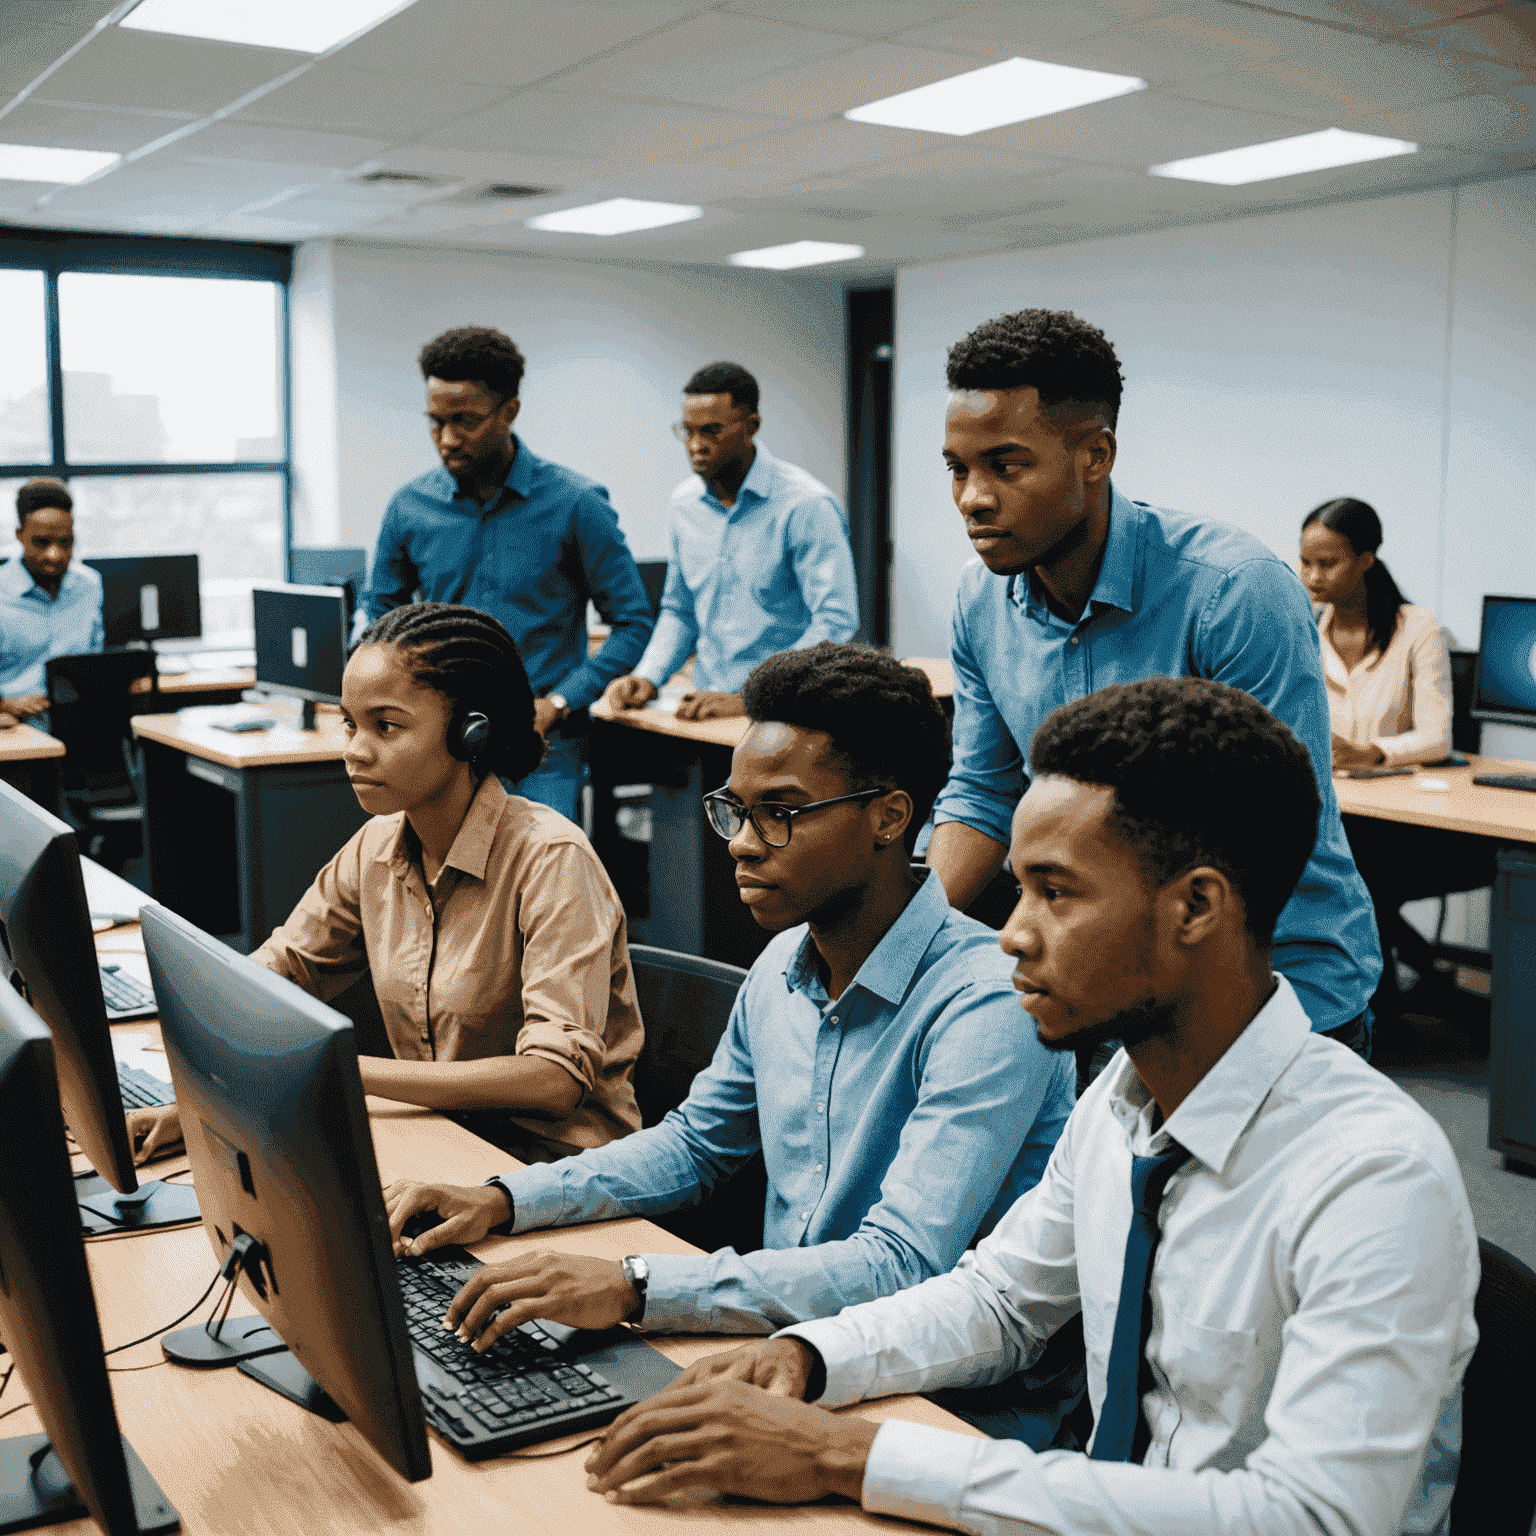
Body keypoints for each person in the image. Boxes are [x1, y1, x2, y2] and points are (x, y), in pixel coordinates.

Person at [582, 677, 1479, 1536]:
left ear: (1196, 907)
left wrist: (853, 1457)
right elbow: (1000, 1304)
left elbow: (1314, 1519)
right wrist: (809, 1357)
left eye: (1056, 893)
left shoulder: (1373, 1174)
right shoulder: (1121, 1107)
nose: (1011, 931)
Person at [384, 642, 1076, 1359]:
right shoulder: (784, 962)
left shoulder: (989, 1006)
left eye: (780, 812)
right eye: (735, 811)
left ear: (889, 817)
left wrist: (633, 1285)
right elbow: (694, 1147)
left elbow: (898, 1264)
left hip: (938, 1393)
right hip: (786, 1345)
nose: (743, 845)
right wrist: (500, 1200)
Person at [923, 309, 1380, 1055]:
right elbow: (983, 791)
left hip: (1275, 990)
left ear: (1094, 455)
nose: (973, 497)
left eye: (1005, 465)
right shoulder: (981, 603)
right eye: (957, 468)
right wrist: (905, 939)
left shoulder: (1232, 591)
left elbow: (1263, 829)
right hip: (1106, 978)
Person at [127, 602, 643, 1165]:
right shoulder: (376, 847)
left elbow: (553, 1080)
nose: (354, 749)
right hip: (442, 1148)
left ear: (471, 734)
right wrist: (203, 1095)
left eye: (386, 726)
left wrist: (339, 1067)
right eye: (350, 723)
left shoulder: (551, 859)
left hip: (554, 1171)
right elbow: (279, 973)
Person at [360, 327, 654, 822]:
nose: (447, 439)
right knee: (446, 891)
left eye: (465, 421)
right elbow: (379, 612)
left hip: (541, 748)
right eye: (436, 422)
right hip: (441, 746)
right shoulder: (410, 507)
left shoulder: (576, 504)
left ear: (509, 412)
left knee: (540, 891)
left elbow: (633, 621)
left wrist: (560, 702)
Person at [1301, 496, 1490, 1017]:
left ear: (1366, 559)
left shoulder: (1416, 629)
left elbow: (1437, 738)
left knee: (1360, 873)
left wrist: (1372, 752)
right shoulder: (1304, 628)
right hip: (1336, 807)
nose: (1312, 576)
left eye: (1327, 562)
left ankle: (1371, 1004)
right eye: (1305, 561)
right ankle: (1360, 999)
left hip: (1406, 823)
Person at [602, 362, 858, 722]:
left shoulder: (806, 505)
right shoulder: (684, 504)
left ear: (751, 427)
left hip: (786, 717)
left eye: (711, 431)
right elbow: (680, 609)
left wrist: (750, 698)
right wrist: (647, 675)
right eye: (687, 431)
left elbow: (835, 623)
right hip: (707, 709)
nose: (696, 446)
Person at [0, 480, 103, 729]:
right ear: (20, 535)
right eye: (42, 542)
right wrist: (4, 704)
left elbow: (94, 659)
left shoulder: (88, 585)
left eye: (65, 543)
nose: (54, 555)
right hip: (16, 726)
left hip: (81, 722)